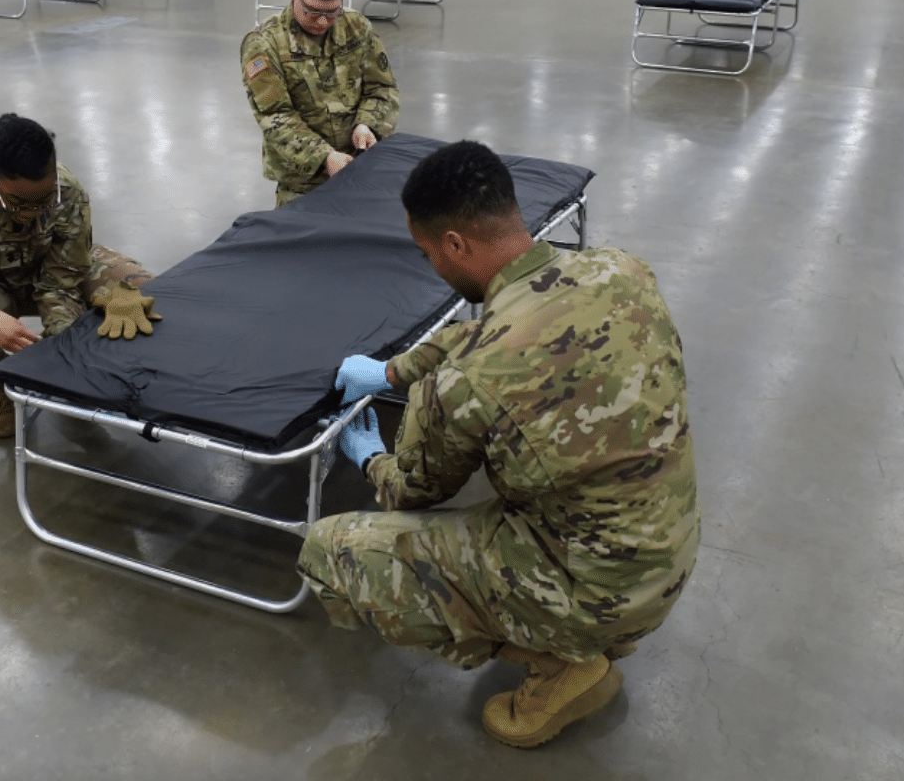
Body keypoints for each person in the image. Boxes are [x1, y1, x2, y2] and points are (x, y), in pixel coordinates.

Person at [298, 141, 699, 749]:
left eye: (429, 252)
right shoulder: (621, 270)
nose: (431, 264)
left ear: (456, 244)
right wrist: (393, 373)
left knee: (333, 548)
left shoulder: (468, 386)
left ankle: (565, 662)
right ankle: (576, 636)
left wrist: (369, 454)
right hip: (669, 550)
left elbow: (411, 492)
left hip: (600, 594)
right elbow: (492, 333)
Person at [0, 113, 159, 439]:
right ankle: (5, 380)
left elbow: (61, 280)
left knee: (148, 293)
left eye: (43, 202)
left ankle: (83, 365)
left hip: (49, 269)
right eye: (17, 204)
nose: (31, 215)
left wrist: (65, 348)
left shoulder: (68, 192)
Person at [240, 0, 400, 206]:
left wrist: (367, 125)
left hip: (360, 167)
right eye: (312, 11)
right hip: (304, 182)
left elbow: (382, 88)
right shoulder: (264, 44)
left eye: (332, 11)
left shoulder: (357, 27)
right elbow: (276, 118)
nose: (323, 21)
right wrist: (325, 157)